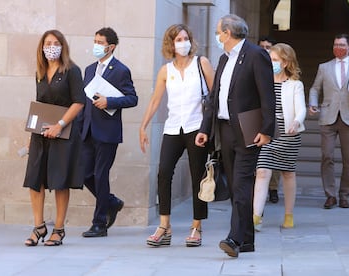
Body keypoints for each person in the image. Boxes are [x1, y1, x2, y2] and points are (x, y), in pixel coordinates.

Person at [195, 14, 275, 258]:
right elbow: (214, 97)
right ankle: (248, 240)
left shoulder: (255, 54)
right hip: (224, 129)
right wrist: (204, 129)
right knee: (236, 185)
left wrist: (267, 129)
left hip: (248, 129)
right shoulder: (223, 58)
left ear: (228, 33)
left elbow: (267, 94)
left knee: (241, 183)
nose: (217, 36)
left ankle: (234, 238)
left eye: (219, 32)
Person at [139, 24, 214, 247]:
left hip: (196, 127)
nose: (183, 43)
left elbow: (216, 94)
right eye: (178, 39)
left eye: (185, 38)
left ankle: (196, 226)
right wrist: (143, 126)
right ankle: (165, 226)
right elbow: (155, 100)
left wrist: (209, 128)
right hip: (173, 128)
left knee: (197, 176)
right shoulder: (166, 70)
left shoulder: (202, 63)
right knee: (163, 173)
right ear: (171, 44)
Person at [23, 29, 86, 246]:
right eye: (47, 43)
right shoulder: (40, 72)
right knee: (34, 179)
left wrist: (59, 125)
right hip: (40, 135)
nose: (51, 46)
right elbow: (39, 104)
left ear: (63, 46)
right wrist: (31, 134)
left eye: (56, 42)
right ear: (42, 47)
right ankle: (39, 226)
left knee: (60, 182)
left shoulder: (72, 71)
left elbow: (79, 102)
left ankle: (58, 229)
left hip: (63, 133)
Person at [81, 27, 138, 237]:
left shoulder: (121, 70)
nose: (96, 45)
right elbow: (83, 101)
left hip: (107, 132)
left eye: (100, 42)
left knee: (100, 174)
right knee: (84, 174)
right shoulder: (88, 70)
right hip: (87, 131)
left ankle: (99, 224)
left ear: (110, 46)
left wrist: (109, 101)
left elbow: (132, 98)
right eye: (94, 40)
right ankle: (111, 202)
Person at [253, 43, 306, 231]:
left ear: (285, 62)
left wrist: (297, 122)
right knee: (262, 171)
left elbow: (301, 109)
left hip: (288, 134)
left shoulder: (295, 85)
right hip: (267, 133)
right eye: (269, 59)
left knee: (288, 173)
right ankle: (256, 217)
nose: (271, 63)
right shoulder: (262, 82)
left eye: (275, 60)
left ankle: (289, 215)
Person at [309, 33, 349, 209]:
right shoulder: (324, 67)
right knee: (327, 156)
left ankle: (344, 195)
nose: (339, 48)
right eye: (336, 44)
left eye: (342, 45)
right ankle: (330, 195)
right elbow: (314, 88)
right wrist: (313, 103)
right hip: (328, 116)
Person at [258, 36, 280, 204]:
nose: (265, 49)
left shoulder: (277, 67)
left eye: (268, 47)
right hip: (257, 118)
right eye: (263, 47)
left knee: (275, 155)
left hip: (277, 118)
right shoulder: (255, 65)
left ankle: (273, 189)